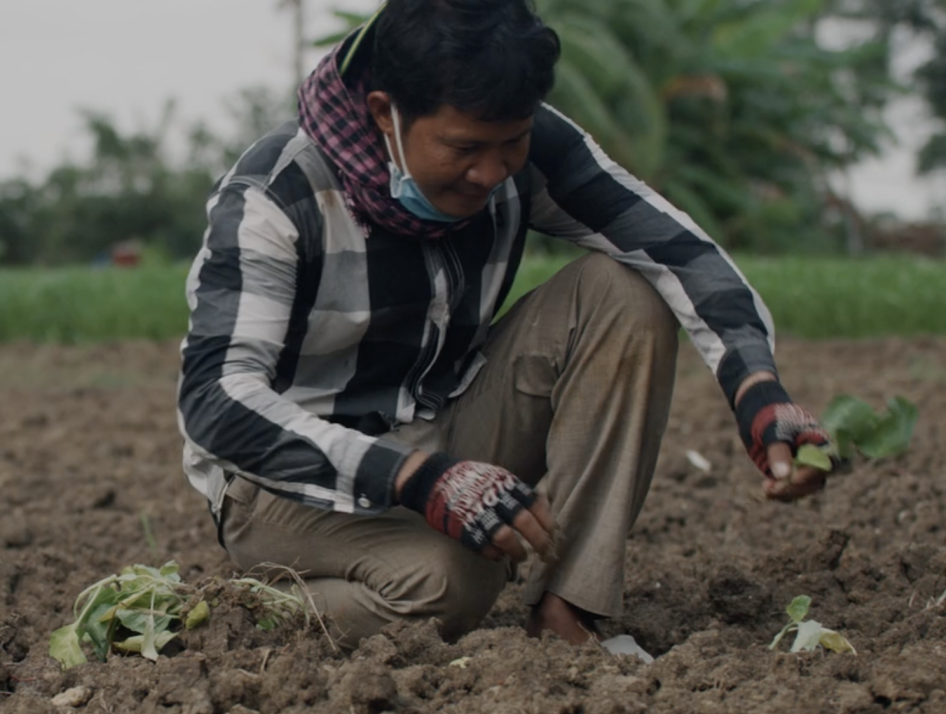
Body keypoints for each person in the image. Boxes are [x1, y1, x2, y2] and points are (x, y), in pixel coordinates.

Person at [176, 0, 836, 649]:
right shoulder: (278, 195)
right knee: (451, 582)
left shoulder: (527, 150)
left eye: (510, 144)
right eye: (464, 147)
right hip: (284, 481)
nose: (491, 173)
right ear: (385, 113)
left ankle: (567, 608)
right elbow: (216, 400)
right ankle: (243, 616)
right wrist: (416, 479)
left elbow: (678, 251)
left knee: (621, 292)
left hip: (446, 430)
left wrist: (757, 388)